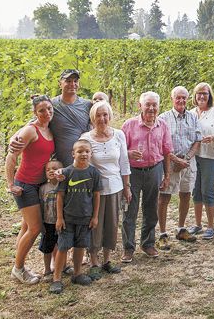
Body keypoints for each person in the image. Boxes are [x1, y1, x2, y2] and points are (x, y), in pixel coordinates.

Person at [4, 94, 55, 285]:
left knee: (26, 226)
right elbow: (11, 157)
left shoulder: (49, 128)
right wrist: (11, 184)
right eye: (42, 110)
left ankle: (20, 264)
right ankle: (18, 269)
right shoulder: (30, 131)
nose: (47, 113)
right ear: (35, 112)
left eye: (49, 109)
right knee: (35, 228)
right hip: (25, 185)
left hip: (39, 184)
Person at [79, 101, 129, 279]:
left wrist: (127, 187)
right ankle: (93, 260)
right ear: (92, 118)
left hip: (116, 187)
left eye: (105, 114)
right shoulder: (86, 138)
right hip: (95, 190)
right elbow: (81, 164)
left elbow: (124, 163)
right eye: (98, 115)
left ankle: (107, 260)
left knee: (112, 223)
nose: (102, 118)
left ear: (110, 116)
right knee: (94, 224)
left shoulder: (119, 135)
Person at [121, 91, 173, 261]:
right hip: (133, 172)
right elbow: (120, 152)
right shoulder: (129, 125)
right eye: (147, 105)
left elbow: (166, 152)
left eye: (154, 105)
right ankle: (128, 247)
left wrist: (166, 176)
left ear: (158, 107)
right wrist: (129, 153)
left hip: (154, 170)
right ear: (140, 106)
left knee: (151, 209)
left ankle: (147, 243)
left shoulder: (163, 125)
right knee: (130, 209)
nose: (151, 108)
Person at [49, 139, 102, 294]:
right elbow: (60, 196)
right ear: (73, 153)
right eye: (79, 151)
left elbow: (96, 195)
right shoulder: (66, 173)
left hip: (85, 218)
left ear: (91, 154)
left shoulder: (94, 173)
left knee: (80, 246)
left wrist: (95, 217)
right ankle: (56, 278)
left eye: (86, 151)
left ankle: (77, 273)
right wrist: (59, 218)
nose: (83, 154)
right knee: (63, 247)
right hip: (68, 218)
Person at [10, 69, 92, 167]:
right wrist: (14, 137)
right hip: (61, 166)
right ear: (60, 84)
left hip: (86, 164)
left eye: (75, 81)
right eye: (68, 81)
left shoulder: (87, 105)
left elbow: (97, 128)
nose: (72, 84)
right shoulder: (51, 106)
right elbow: (34, 123)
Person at [158, 86, 202, 244]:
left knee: (186, 195)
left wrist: (187, 159)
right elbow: (161, 145)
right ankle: (162, 234)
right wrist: (176, 161)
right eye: (178, 97)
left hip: (189, 164)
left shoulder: (193, 117)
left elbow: (198, 139)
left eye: (184, 97)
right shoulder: (163, 118)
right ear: (172, 98)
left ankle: (181, 229)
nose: (181, 100)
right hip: (170, 164)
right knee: (164, 197)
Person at [189, 83, 214, 240]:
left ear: (209, 95)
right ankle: (198, 224)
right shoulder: (191, 113)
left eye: (205, 93)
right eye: (199, 93)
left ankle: (210, 226)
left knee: (207, 190)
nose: (201, 96)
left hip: (210, 156)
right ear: (195, 95)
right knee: (196, 190)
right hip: (194, 156)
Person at [38, 160, 63, 281]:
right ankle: (47, 269)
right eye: (48, 170)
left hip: (61, 221)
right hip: (47, 222)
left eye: (54, 168)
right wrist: (41, 222)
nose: (51, 171)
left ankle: (62, 266)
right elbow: (40, 206)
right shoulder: (43, 188)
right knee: (47, 247)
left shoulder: (63, 186)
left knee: (62, 245)